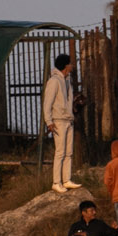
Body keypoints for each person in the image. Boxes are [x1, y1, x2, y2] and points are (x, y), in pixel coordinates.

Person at [43, 53, 78, 191]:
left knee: (69, 152)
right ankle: (56, 182)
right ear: (65, 65)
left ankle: (66, 179)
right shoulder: (54, 81)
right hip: (58, 120)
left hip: (68, 119)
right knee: (60, 152)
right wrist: (49, 121)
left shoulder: (67, 80)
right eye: (70, 63)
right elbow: (47, 103)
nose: (72, 66)